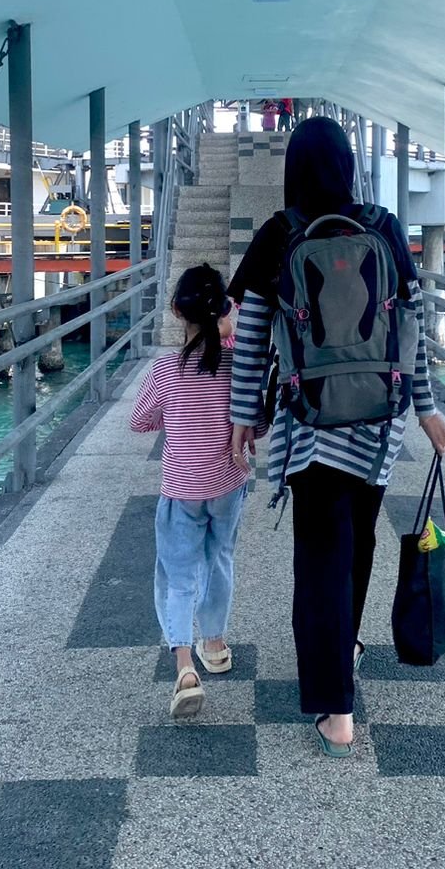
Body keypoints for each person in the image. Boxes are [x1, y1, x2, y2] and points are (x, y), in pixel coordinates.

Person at [227, 116, 445, 757]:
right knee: (357, 546)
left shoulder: (281, 231)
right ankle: (345, 647)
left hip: (311, 424)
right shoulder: (384, 225)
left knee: (321, 558)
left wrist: (246, 417)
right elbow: (411, 326)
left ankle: (336, 708)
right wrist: (426, 409)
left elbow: (251, 336)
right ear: (349, 165)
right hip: (379, 424)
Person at [130, 263, 248, 719]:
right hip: (228, 483)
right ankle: (214, 644)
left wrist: (171, 417)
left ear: (177, 311)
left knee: (177, 575)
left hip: (182, 488)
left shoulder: (166, 370)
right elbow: (255, 423)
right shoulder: (236, 366)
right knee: (219, 558)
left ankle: (184, 667)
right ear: (224, 310)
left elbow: (140, 420)